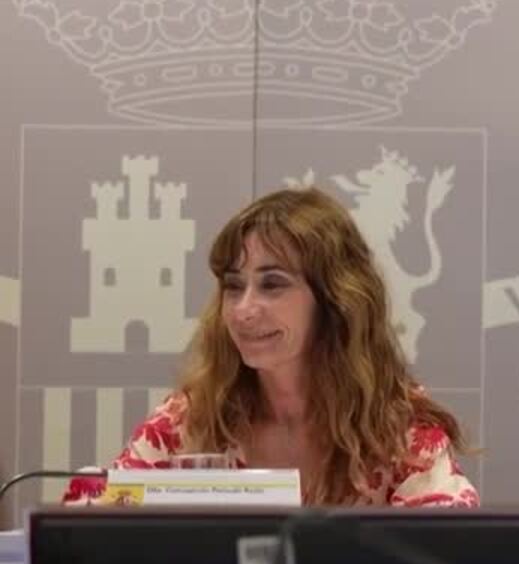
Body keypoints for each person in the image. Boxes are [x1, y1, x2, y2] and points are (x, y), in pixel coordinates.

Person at [66, 187, 477, 507]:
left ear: (334, 300)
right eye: (233, 287)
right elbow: (92, 524)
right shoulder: (190, 419)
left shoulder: (399, 430)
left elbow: (449, 556)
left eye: (272, 284)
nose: (243, 310)